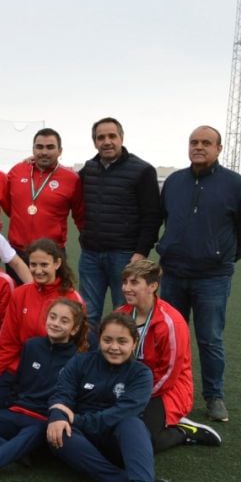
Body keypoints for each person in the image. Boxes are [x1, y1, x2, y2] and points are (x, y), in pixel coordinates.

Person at [157, 125, 241, 423]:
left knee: (209, 338)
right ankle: (165, 390)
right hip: (173, 273)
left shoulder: (235, 184)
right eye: (194, 142)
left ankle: (214, 396)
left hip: (212, 278)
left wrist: (222, 256)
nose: (199, 147)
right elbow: (163, 219)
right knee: (168, 335)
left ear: (219, 148)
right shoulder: (174, 182)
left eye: (206, 143)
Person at [46, 312, 174, 482]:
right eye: (108, 340)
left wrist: (75, 419)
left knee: (132, 423)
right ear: (100, 340)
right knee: (57, 432)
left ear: (134, 343)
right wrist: (58, 417)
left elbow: (121, 413)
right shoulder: (81, 361)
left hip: (117, 443)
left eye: (122, 341)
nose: (114, 347)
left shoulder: (141, 374)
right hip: (81, 440)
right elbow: (61, 393)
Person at [0, 298, 87, 482]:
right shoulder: (32, 346)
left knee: (35, 431)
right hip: (15, 413)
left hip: (42, 422)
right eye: (52, 317)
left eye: (64, 321)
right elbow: (20, 382)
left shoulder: (79, 360)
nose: (55, 323)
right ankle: (13, 450)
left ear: (74, 329)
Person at [115, 260, 222, 449]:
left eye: (134, 283)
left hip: (166, 390)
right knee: (109, 431)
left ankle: (183, 431)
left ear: (153, 286)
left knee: (141, 441)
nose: (126, 288)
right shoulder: (120, 315)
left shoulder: (170, 322)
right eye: (124, 282)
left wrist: (136, 396)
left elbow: (169, 375)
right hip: (129, 385)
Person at [77, 117, 162, 329]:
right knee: (88, 314)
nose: (107, 141)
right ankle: (89, 361)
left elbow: (152, 216)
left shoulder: (143, 171)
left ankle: (123, 361)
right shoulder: (88, 170)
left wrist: (141, 252)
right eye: (101, 137)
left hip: (125, 256)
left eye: (112, 136)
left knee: (125, 314)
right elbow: (63, 180)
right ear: (94, 142)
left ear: (121, 138)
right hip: (91, 255)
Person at [0, 238, 84, 380]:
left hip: (54, 374)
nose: (38, 271)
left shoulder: (73, 299)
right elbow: (7, 342)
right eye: (33, 264)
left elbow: (80, 347)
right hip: (18, 369)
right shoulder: (19, 294)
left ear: (57, 263)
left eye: (44, 265)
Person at [5, 128, 82, 273]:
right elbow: (9, 207)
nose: (44, 152)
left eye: (50, 147)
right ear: (33, 149)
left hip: (52, 254)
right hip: (17, 253)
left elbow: (80, 215)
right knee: (18, 295)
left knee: (53, 296)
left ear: (60, 151)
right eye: (39, 147)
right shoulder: (17, 171)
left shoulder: (71, 179)